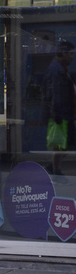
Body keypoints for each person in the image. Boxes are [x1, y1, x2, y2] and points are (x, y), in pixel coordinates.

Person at [41, 41, 76, 176]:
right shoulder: (56, 71)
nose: (72, 57)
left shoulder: (61, 69)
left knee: (67, 145)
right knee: (60, 144)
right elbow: (53, 94)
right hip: (60, 116)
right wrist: (57, 116)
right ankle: (56, 171)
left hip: (66, 114)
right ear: (63, 53)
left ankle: (52, 167)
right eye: (71, 54)